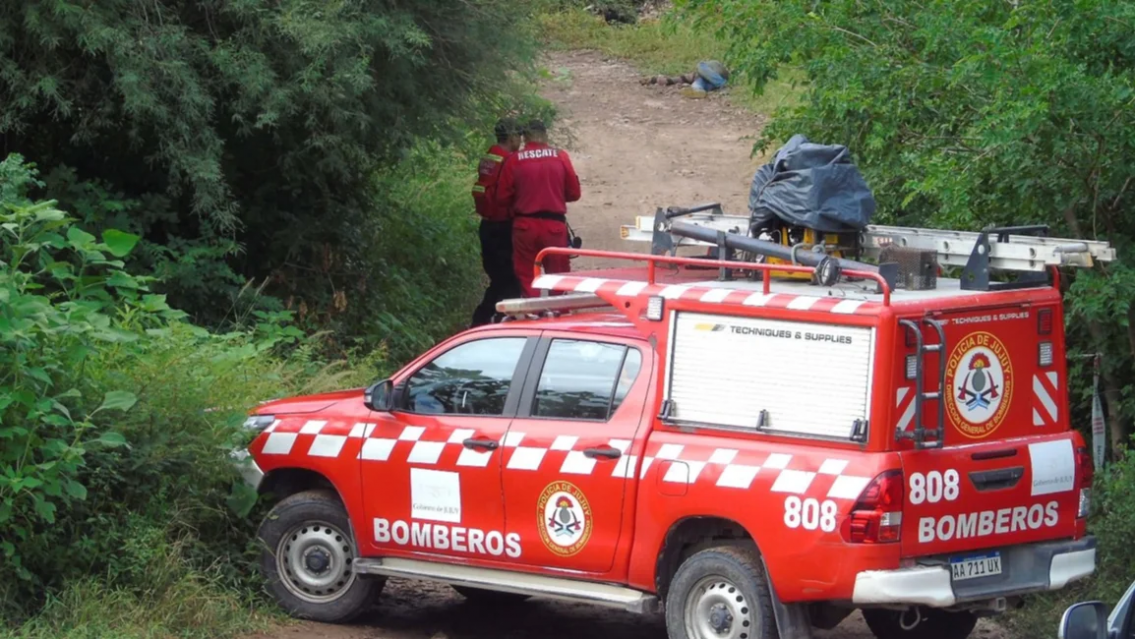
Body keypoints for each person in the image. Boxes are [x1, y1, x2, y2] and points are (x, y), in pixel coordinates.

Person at [495, 119, 582, 297]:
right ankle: (558, 317)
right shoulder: (560, 156)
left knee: (527, 277)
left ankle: (531, 316)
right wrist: (553, 195)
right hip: (554, 227)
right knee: (558, 278)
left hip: (524, 227)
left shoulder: (514, 160)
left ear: (525, 137)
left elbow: (501, 198)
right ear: (545, 135)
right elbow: (574, 193)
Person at [469, 118, 523, 326]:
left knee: (499, 278)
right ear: (510, 137)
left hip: (487, 226)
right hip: (503, 227)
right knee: (509, 281)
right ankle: (485, 322)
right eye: (518, 135)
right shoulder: (509, 161)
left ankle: (486, 321)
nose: (520, 140)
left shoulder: (488, 158)